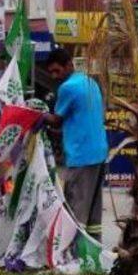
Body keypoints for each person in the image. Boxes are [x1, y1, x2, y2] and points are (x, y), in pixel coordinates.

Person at [39, 48, 108, 241]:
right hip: (99, 153)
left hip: (81, 155)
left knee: (76, 207)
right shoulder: (89, 82)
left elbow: (56, 120)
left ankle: (75, 253)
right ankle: (94, 248)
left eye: (57, 71)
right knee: (93, 209)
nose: (54, 76)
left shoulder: (67, 88)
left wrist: (37, 115)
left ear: (69, 65)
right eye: (51, 72)